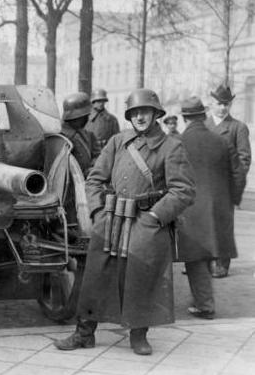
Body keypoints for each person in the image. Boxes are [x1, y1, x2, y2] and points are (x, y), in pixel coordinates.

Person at [55, 88, 194, 356]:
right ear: (129, 116)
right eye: (135, 112)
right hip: (112, 218)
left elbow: (184, 190)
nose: (140, 117)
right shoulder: (118, 142)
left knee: (141, 278)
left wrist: (155, 217)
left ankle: (138, 334)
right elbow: (95, 179)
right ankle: (84, 333)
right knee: (95, 276)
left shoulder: (171, 147)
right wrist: (97, 213)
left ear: (156, 114)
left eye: (145, 111)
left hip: (147, 222)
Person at [176, 96, 245, 320]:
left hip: (190, 209)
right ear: (203, 116)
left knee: (195, 258)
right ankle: (204, 302)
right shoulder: (222, 141)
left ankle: (205, 305)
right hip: (218, 208)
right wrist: (232, 200)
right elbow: (238, 175)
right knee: (203, 257)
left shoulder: (178, 143)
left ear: (185, 118)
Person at [205, 84, 251, 278]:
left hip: (224, 187)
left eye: (226, 104)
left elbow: (244, 159)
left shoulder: (237, 128)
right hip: (203, 186)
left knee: (223, 225)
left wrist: (233, 185)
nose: (222, 107)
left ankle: (222, 264)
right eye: (219, 103)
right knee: (203, 224)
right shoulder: (202, 126)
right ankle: (202, 263)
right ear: (211, 103)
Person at [61, 92, 100, 176]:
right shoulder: (60, 137)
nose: (87, 119)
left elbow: (98, 156)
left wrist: (93, 168)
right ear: (77, 116)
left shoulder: (89, 135)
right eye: (86, 116)